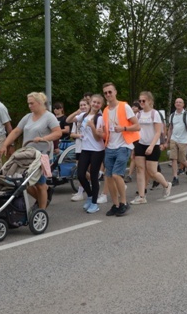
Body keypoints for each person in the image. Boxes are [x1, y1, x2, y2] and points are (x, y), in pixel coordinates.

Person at [0, 92, 62, 211]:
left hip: (42, 155)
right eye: (28, 103)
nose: (29, 106)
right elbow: (16, 131)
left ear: (39, 103)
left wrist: (44, 138)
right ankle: (43, 198)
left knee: (40, 184)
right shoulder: (28, 117)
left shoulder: (49, 117)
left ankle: (41, 210)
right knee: (23, 183)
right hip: (27, 154)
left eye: (31, 103)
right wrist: (5, 145)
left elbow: (58, 133)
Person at [99, 82, 140, 217]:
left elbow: (137, 126)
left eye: (110, 92)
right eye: (105, 93)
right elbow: (106, 131)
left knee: (117, 175)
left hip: (124, 145)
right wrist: (101, 132)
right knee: (109, 177)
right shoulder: (105, 110)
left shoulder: (124, 106)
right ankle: (116, 205)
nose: (108, 95)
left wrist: (124, 128)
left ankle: (123, 203)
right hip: (110, 146)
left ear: (115, 92)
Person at [130, 92, 172, 204]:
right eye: (140, 101)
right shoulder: (138, 115)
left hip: (152, 144)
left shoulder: (155, 114)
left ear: (149, 101)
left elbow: (158, 132)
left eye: (143, 100)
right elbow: (136, 130)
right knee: (139, 170)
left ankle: (166, 185)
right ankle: (141, 196)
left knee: (152, 172)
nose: (141, 103)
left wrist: (152, 146)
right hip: (140, 144)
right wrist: (134, 147)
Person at [72, 95, 106, 213]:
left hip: (97, 150)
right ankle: (91, 195)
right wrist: (77, 112)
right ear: (90, 102)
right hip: (85, 149)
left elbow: (98, 138)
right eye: (94, 102)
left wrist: (92, 126)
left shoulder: (100, 118)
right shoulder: (84, 115)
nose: (96, 104)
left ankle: (94, 203)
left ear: (101, 105)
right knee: (80, 174)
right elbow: (68, 120)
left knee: (93, 176)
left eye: (98, 103)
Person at [66, 99, 90, 202]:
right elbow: (71, 133)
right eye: (81, 105)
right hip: (79, 147)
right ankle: (85, 188)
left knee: (85, 171)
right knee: (81, 171)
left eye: (84, 105)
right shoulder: (77, 119)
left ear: (89, 106)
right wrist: (79, 135)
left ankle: (85, 189)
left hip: (89, 147)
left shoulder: (91, 117)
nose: (83, 107)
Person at [167, 98, 187, 185]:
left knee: (182, 159)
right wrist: (168, 140)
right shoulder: (172, 115)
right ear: (174, 104)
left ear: (183, 104)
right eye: (176, 102)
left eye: (180, 102)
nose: (178, 104)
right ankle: (175, 177)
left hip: (183, 140)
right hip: (174, 139)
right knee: (173, 158)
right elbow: (170, 128)